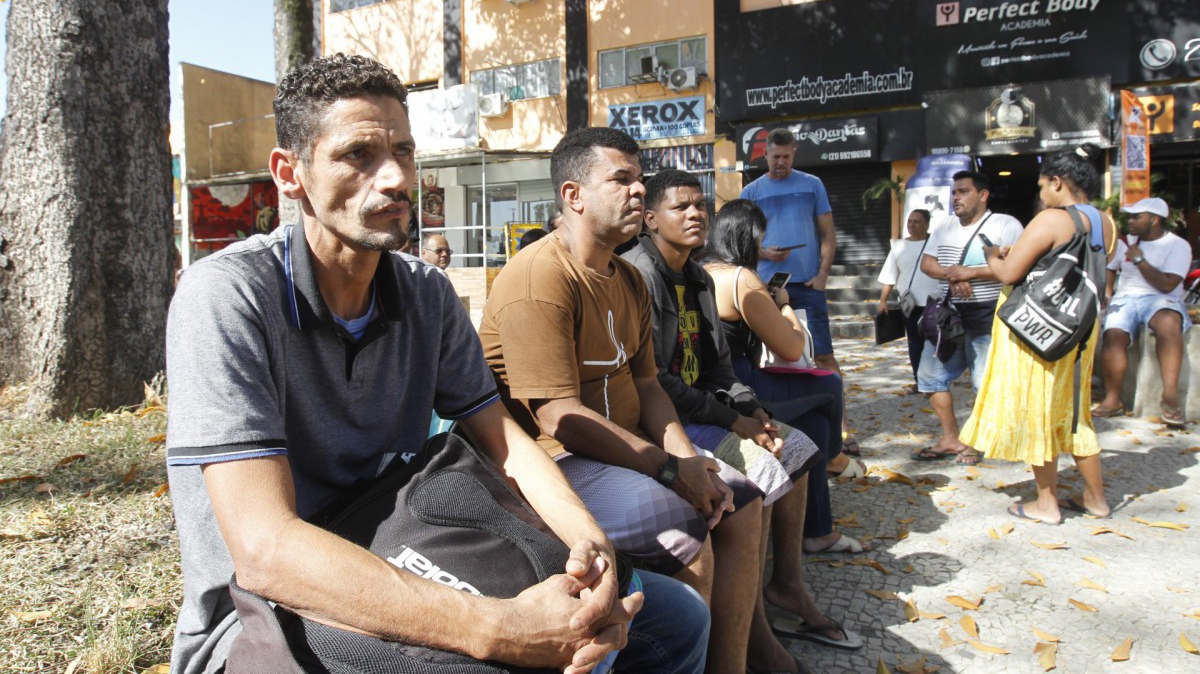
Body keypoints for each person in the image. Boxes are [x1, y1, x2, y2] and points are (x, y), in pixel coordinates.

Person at [164, 55, 709, 674]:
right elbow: (266, 550)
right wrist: (500, 629)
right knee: (558, 659)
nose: (395, 177)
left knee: (676, 620)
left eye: (403, 150)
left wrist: (589, 545)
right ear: (290, 174)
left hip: (402, 534)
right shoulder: (228, 297)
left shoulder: (426, 293)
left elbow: (503, 438)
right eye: (358, 156)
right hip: (272, 606)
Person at [480, 128, 801, 674]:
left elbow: (650, 387)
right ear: (573, 196)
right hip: (556, 462)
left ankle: (736, 660)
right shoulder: (540, 276)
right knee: (688, 526)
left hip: (624, 452)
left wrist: (687, 460)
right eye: (621, 180)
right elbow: (557, 415)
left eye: (639, 179)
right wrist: (670, 470)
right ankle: (687, 658)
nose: (637, 192)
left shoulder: (626, 278)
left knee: (741, 499)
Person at [626, 172, 862, 654]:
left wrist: (753, 411)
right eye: (681, 207)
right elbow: (656, 380)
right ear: (650, 219)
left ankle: (787, 582)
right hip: (664, 421)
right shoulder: (641, 275)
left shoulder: (698, 277)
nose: (695, 214)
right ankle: (751, 629)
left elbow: (718, 366)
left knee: (794, 444)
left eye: (700, 206)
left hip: (705, 410)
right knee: (761, 474)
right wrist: (735, 422)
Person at [701, 200, 868, 559]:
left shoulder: (700, 271)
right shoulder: (741, 279)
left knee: (813, 427)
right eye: (760, 239)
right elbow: (792, 347)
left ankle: (816, 532)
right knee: (829, 384)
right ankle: (836, 459)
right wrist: (784, 304)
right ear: (748, 238)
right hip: (745, 390)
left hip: (715, 387)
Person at [959, 145, 1117, 523]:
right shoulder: (1106, 221)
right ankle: (1096, 499)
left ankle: (1046, 504)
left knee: (1040, 409)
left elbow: (1009, 273)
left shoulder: (1050, 219)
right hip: (1078, 328)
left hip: (1038, 331)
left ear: (1058, 182)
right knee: (1075, 412)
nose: (1041, 192)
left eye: (1043, 184)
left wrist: (993, 255)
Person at [740, 128, 857, 455]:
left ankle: (844, 432)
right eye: (774, 157)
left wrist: (822, 275)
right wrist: (764, 253)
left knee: (822, 356)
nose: (780, 163)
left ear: (794, 152)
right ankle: (772, 429)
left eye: (786, 156)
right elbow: (744, 240)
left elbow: (828, 233)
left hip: (807, 285)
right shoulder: (751, 191)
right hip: (765, 288)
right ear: (765, 155)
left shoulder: (812, 184)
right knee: (761, 360)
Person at [912, 171, 1024, 465]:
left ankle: (977, 440)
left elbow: (1017, 265)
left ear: (983, 195)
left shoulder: (1005, 225)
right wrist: (952, 276)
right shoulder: (945, 225)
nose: (955, 198)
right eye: (954, 192)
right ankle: (951, 437)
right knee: (929, 376)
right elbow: (927, 262)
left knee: (983, 383)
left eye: (962, 191)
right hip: (948, 314)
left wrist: (971, 272)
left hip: (989, 313)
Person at [1092, 197, 1193, 427]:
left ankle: (1169, 397)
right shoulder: (1124, 243)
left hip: (1163, 298)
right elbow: (1110, 268)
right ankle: (1112, 399)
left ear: (1154, 220)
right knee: (1113, 332)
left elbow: (1167, 284)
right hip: (1127, 297)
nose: (1130, 221)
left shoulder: (1178, 246)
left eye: (1137, 217)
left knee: (1168, 322)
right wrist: (1107, 294)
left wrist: (1139, 260)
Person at [877, 209, 938, 390]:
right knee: (914, 342)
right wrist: (883, 301)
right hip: (909, 304)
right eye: (909, 222)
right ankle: (920, 381)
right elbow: (890, 276)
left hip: (934, 302)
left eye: (916, 222)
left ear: (927, 223)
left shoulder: (936, 244)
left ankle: (936, 379)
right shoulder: (899, 246)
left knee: (935, 340)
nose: (911, 225)